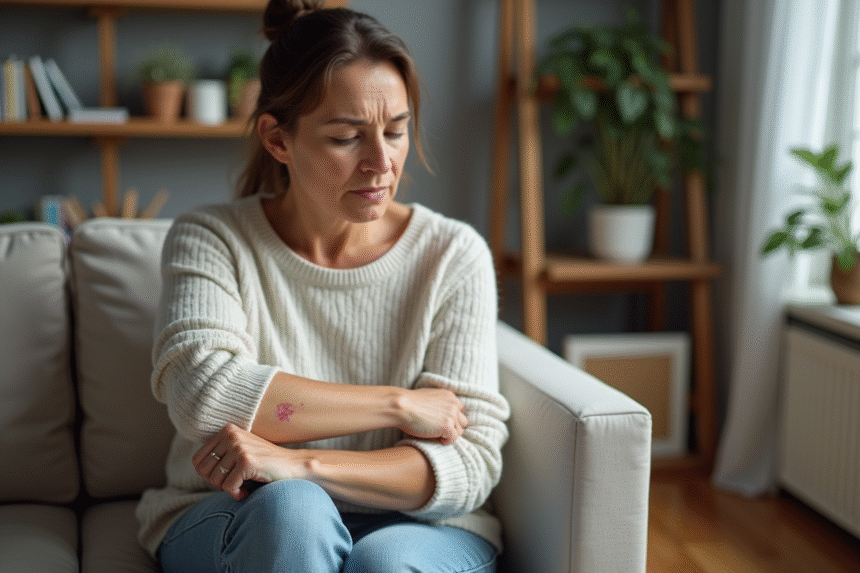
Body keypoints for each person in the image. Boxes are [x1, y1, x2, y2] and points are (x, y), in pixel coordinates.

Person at [135, 1, 510, 571]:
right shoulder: (211, 237)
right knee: (294, 514)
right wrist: (399, 406)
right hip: (242, 511)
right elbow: (206, 397)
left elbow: (469, 462)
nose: (381, 163)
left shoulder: (452, 254)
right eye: (346, 138)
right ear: (278, 139)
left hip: (412, 523)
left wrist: (300, 464)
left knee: (380, 560)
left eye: (396, 130)